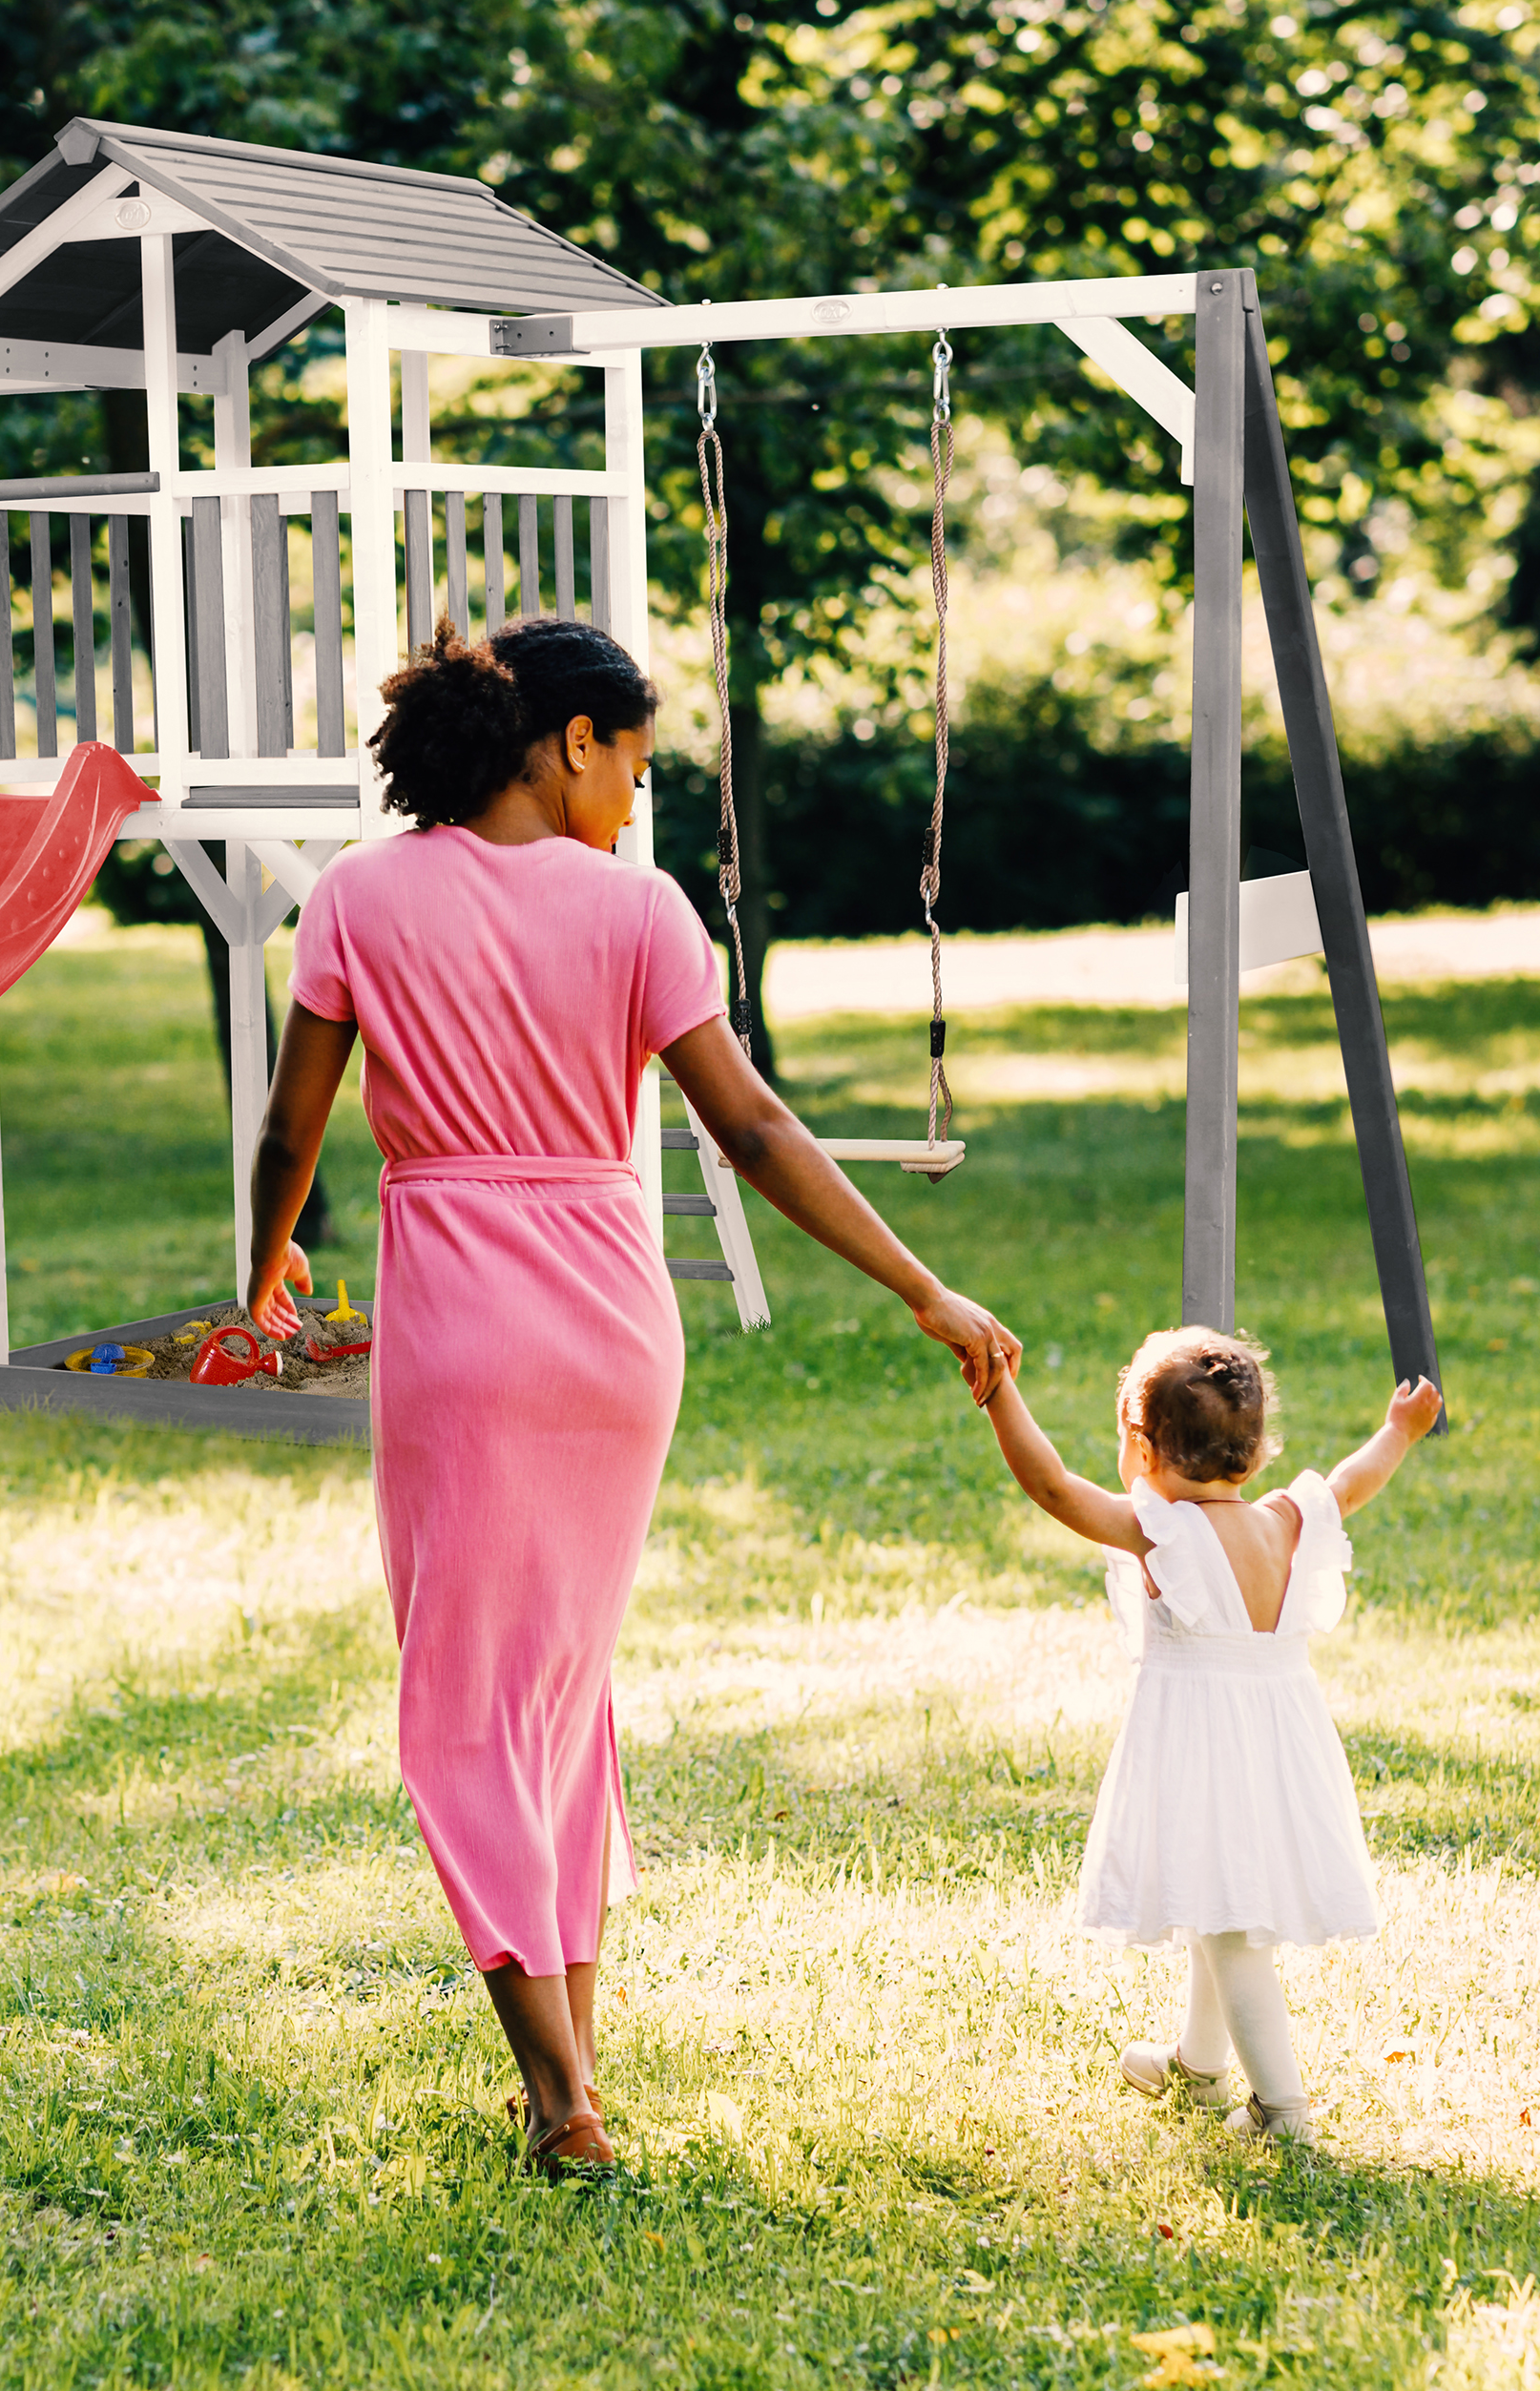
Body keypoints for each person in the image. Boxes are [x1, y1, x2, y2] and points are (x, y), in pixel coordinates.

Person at [242, 618, 1019, 2176]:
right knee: (556, 1694)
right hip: (611, 1328)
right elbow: (755, 1131)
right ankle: (572, 2069)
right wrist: (920, 1284)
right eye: (636, 766)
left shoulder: (358, 897)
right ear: (569, 741)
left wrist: (259, 1272)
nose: (636, 801)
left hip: (460, 1326)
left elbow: (292, 1130)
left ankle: (557, 2097)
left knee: (468, 1707)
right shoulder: (640, 912)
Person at [976, 1323, 1444, 2140]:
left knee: (1230, 1932)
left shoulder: (1163, 1533)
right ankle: (1198, 2067)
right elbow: (1352, 1480)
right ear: (1256, 1454)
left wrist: (998, 1391)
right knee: (1212, 1899)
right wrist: (1397, 1431)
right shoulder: (1289, 1520)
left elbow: (1051, 1486)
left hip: (1204, 1753)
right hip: (1279, 1749)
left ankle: (1282, 2112)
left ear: (1143, 1448)